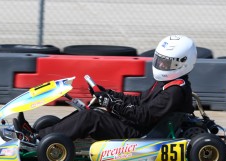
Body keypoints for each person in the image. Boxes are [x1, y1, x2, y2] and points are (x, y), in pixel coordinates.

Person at [16, 35, 197, 142]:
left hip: (141, 133)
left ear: (183, 63)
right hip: (138, 125)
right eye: (160, 61)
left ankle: (37, 138)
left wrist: (111, 104)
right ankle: (42, 132)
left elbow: (143, 116)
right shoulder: (167, 83)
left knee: (92, 117)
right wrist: (107, 94)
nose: (161, 65)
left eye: (166, 63)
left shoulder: (175, 91)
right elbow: (138, 102)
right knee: (90, 110)